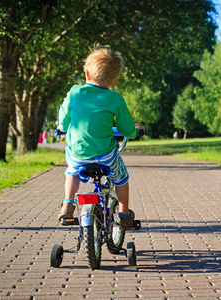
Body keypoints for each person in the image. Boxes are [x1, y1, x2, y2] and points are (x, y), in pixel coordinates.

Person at [56, 45, 145, 229]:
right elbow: (125, 128)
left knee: (72, 171)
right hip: (105, 155)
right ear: (114, 82)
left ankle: (68, 203)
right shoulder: (115, 99)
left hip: (79, 154)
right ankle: (124, 214)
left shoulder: (75, 92)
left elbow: (63, 117)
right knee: (121, 179)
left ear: (87, 74)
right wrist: (135, 132)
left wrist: (61, 128)